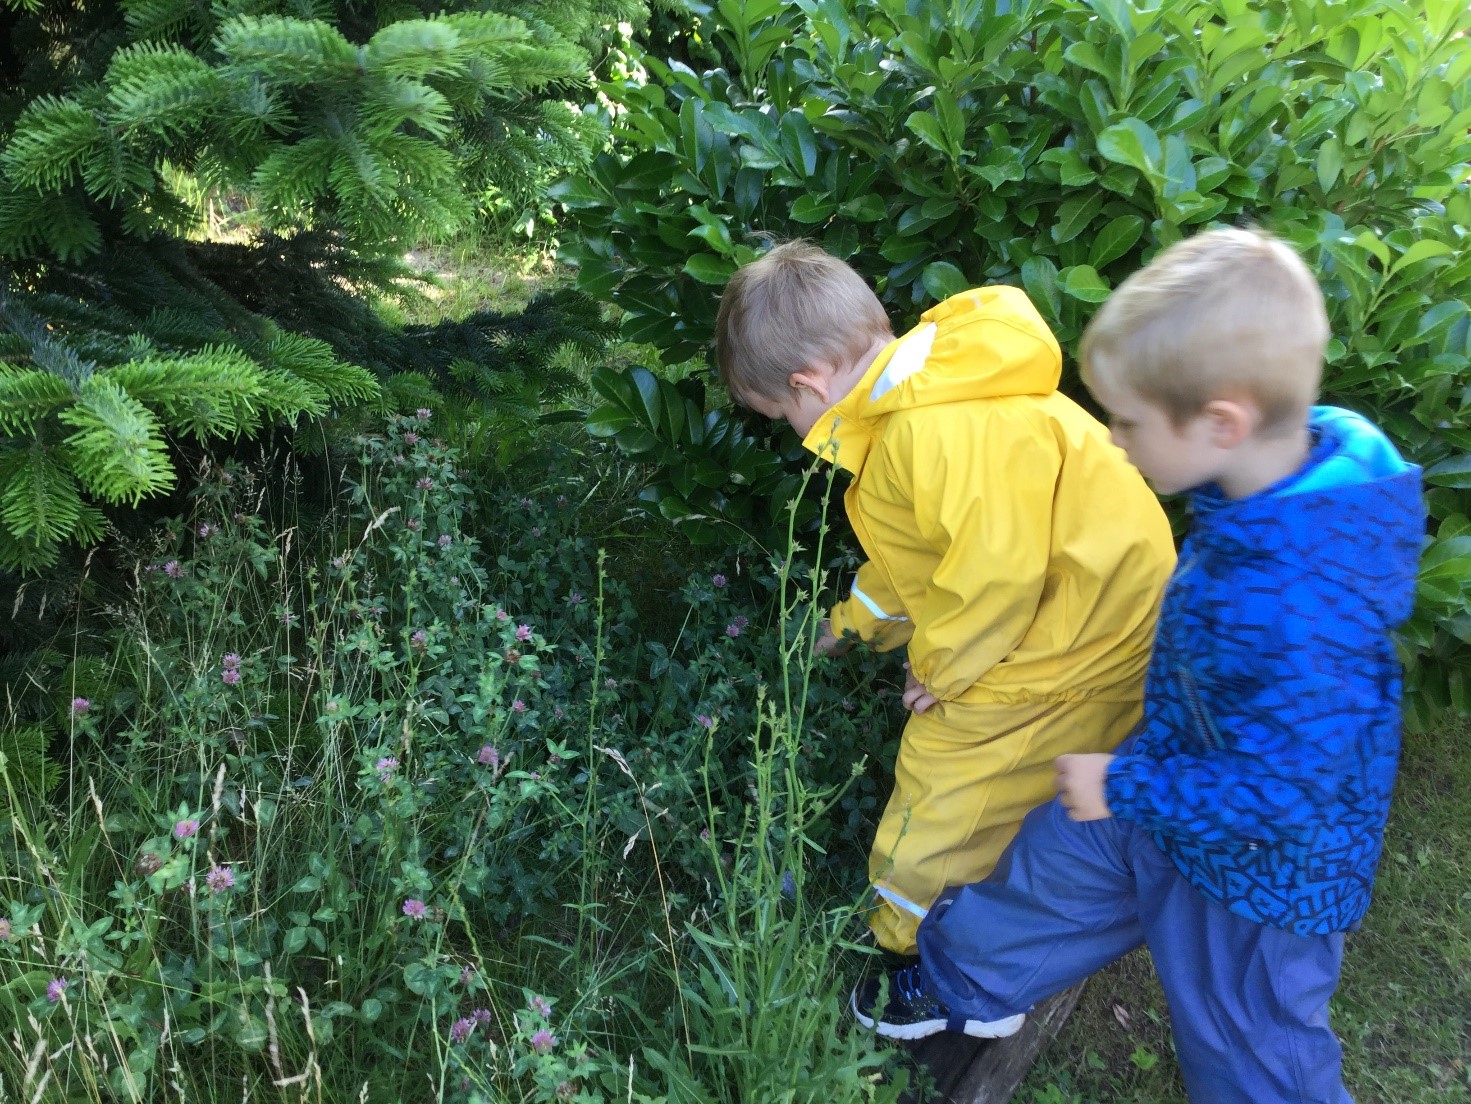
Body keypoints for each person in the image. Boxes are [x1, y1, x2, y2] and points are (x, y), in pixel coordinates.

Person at [851, 228, 1426, 1103]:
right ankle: (957, 983)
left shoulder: (1302, 600)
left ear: (1220, 423)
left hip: (1258, 881)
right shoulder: (1267, 480)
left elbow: (1284, 793)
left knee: (1248, 1048)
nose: (1114, 441)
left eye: (1128, 421)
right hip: (1171, 779)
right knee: (1050, 870)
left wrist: (1125, 785)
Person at [714, 241, 1176, 958]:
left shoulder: (924, 434)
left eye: (782, 415)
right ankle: (1033, 891)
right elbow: (924, 559)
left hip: (1070, 644)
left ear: (808, 384)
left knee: (945, 783)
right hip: (1105, 616)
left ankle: (911, 948)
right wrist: (849, 626)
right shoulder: (937, 391)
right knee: (1036, 787)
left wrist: (940, 672)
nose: (796, 433)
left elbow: (994, 576)